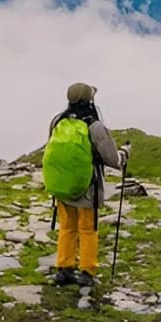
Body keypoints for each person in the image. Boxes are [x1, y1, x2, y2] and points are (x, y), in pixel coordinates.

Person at [48, 82, 126, 287]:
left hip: (62, 186)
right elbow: (112, 160)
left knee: (67, 227)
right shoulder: (95, 126)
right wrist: (124, 155)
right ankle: (87, 271)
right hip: (87, 188)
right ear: (90, 100)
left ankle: (64, 269)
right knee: (87, 229)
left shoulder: (58, 120)